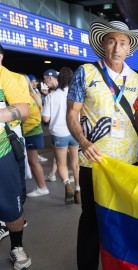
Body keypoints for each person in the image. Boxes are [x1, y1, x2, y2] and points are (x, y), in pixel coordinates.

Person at [67, 19, 138, 270]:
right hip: (94, 161)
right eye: (111, 40)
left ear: (129, 48)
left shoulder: (136, 80)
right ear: (103, 44)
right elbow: (72, 113)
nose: (116, 47)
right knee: (91, 219)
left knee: (124, 218)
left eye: (122, 42)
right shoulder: (86, 72)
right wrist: (83, 142)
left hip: (129, 163)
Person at [0, 43, 32, 269]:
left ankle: (17, 247)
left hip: (2, 151)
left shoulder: (6, 77)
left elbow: (23, 108)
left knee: (12, 205)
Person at [42, 67, 80, 204]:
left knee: (61, 163)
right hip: (75, 133)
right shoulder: (76, 95)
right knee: (75, 163)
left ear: (59, 79)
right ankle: (77, 189)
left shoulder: (51, 96)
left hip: (59, 134)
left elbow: (45, 119)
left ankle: (67, 185)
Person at [24, 74, 50, 198]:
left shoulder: (26, 98)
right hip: (35, 130)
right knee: (33, 160)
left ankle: (42, 187)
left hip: (31, 131)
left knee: (33, 161)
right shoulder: (33, 95)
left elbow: (22, 116)